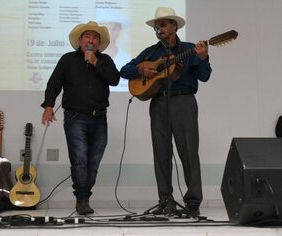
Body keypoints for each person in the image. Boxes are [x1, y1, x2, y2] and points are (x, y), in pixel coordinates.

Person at [120, 7, 212, 217]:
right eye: (156, 26)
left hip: (184, 102)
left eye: (162, 24)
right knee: (161, 153)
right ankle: (165, 200)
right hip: (159, 103)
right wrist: (140, 70)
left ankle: (193, 202)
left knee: (189, 152)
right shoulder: (151, 52)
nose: (159, 28)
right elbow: (124, 70)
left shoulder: (190, 49)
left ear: (174, 26)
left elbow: (204, 76)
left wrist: (204, 58)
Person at [41, 21, 120, 215]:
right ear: (80, 40)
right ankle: (82, 199)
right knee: (80, 159)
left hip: (100, 119)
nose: (91, 40)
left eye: (95, 37)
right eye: (87, 36)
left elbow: (115, 79)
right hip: (75, 117)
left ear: (98, 43)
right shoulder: (67, 59)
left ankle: (84, 195)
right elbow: (54, 83)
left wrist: (95, 63)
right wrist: (49, 105)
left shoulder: (105, 60)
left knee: (93, 162)